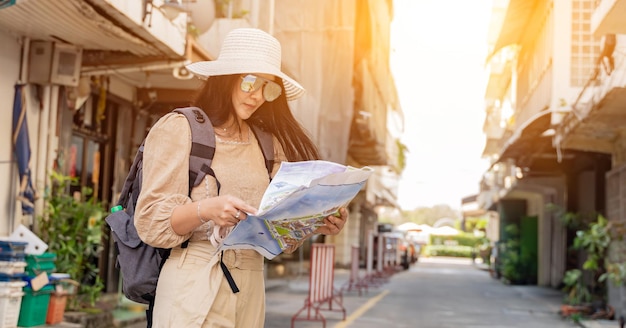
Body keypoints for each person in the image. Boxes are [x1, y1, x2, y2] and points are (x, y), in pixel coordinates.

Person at [134, 27, 349, 328]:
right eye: (250, 82)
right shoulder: (180, 128)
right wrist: (206, 210)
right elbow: (151, 221)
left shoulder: (268, 145)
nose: (258, 96)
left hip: (250, 284)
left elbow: (279, 234)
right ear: (226, 78)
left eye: (269, 88)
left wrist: (315, 223)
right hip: (194, 279)